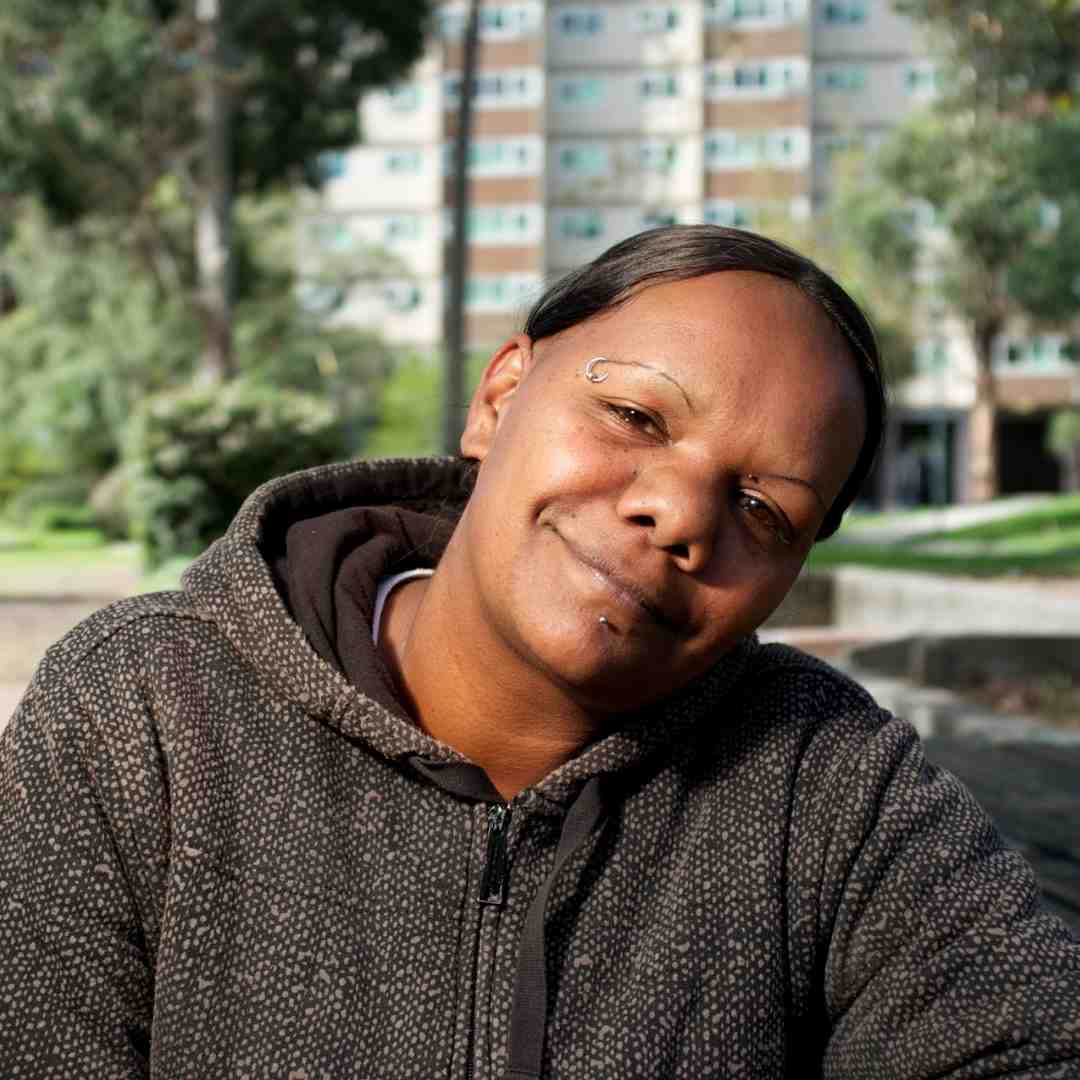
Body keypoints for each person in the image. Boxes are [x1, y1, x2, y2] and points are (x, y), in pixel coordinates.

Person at [1, 226, 1077, 1078]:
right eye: (634, 416)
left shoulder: (829, 785)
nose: (676, 513)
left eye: (761, 507)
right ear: (500, 393)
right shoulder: (144, 713)